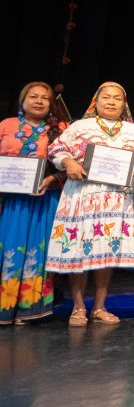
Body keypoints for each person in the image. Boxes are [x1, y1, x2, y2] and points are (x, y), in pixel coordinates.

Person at [46, 82, 134, 327]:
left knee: (106, 250)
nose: (111, 102)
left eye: (117, 98)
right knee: (79, 248)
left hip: (117, 199)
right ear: (95, 102)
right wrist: (68, 162)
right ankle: (78, 307)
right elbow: (56, 148)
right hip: (82, 194)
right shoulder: (80, 126)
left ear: (124, 104)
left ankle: (99, 307)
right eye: (106, 97)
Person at [0, 82, 66, 325]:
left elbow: (68, 165)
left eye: (45, 98)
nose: (39, 101)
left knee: (39, 250)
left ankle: (31, 308)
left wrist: (52, 178)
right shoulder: (6, 125)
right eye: (33, 96)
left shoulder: (60, 129)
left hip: (44, 200)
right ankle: (5, 307)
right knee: (8, 247)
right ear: (22, 100)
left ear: (51, 104)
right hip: (11, 201)